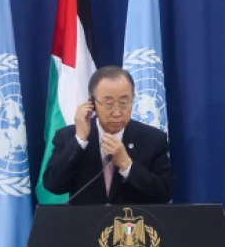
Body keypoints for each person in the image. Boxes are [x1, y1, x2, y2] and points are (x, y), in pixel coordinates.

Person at [43, 66, 174, 205]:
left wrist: (127, 165)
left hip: (133, 224)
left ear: (133, 98)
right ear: (92, 103)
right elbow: (53, 185)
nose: (117, 112)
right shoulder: (68, 136)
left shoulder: (153, 139)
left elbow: (165, 193)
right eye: (108, 103)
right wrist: (80, 141)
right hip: (86, 224)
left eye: (124, 103)